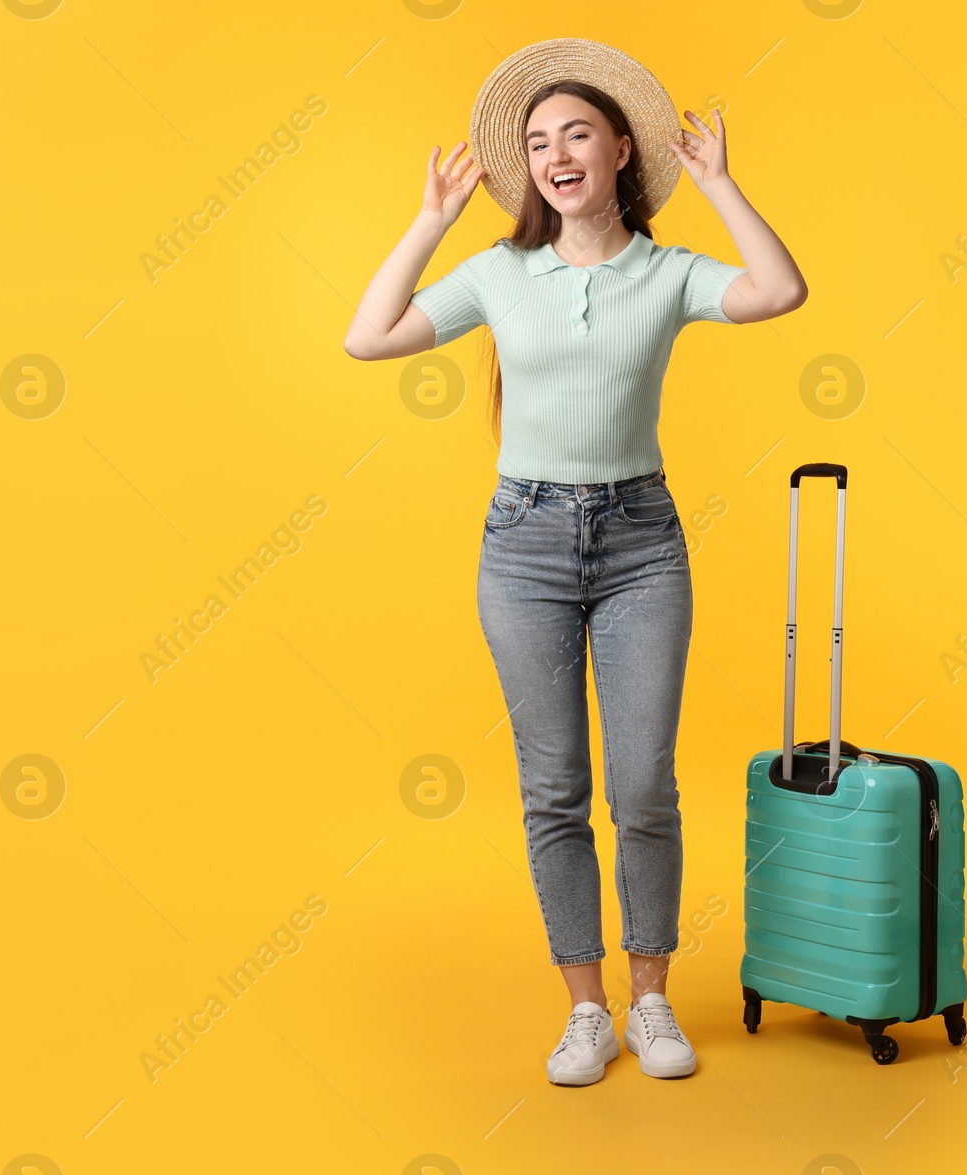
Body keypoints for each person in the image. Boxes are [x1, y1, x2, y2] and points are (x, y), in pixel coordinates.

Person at [343, 38, 807, 1086]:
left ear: (619, 152)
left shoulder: (669, 272)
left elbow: (779, 291)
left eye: (575, 135)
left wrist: (722, 187)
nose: (554, 155)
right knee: (553, 786)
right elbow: (367, 338)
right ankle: (586, 1009)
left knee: (643, 786)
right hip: (526, 547)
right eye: (538, 141)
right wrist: (429, 222)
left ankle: (651, 999)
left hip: (643, 542)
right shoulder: (500, 273)